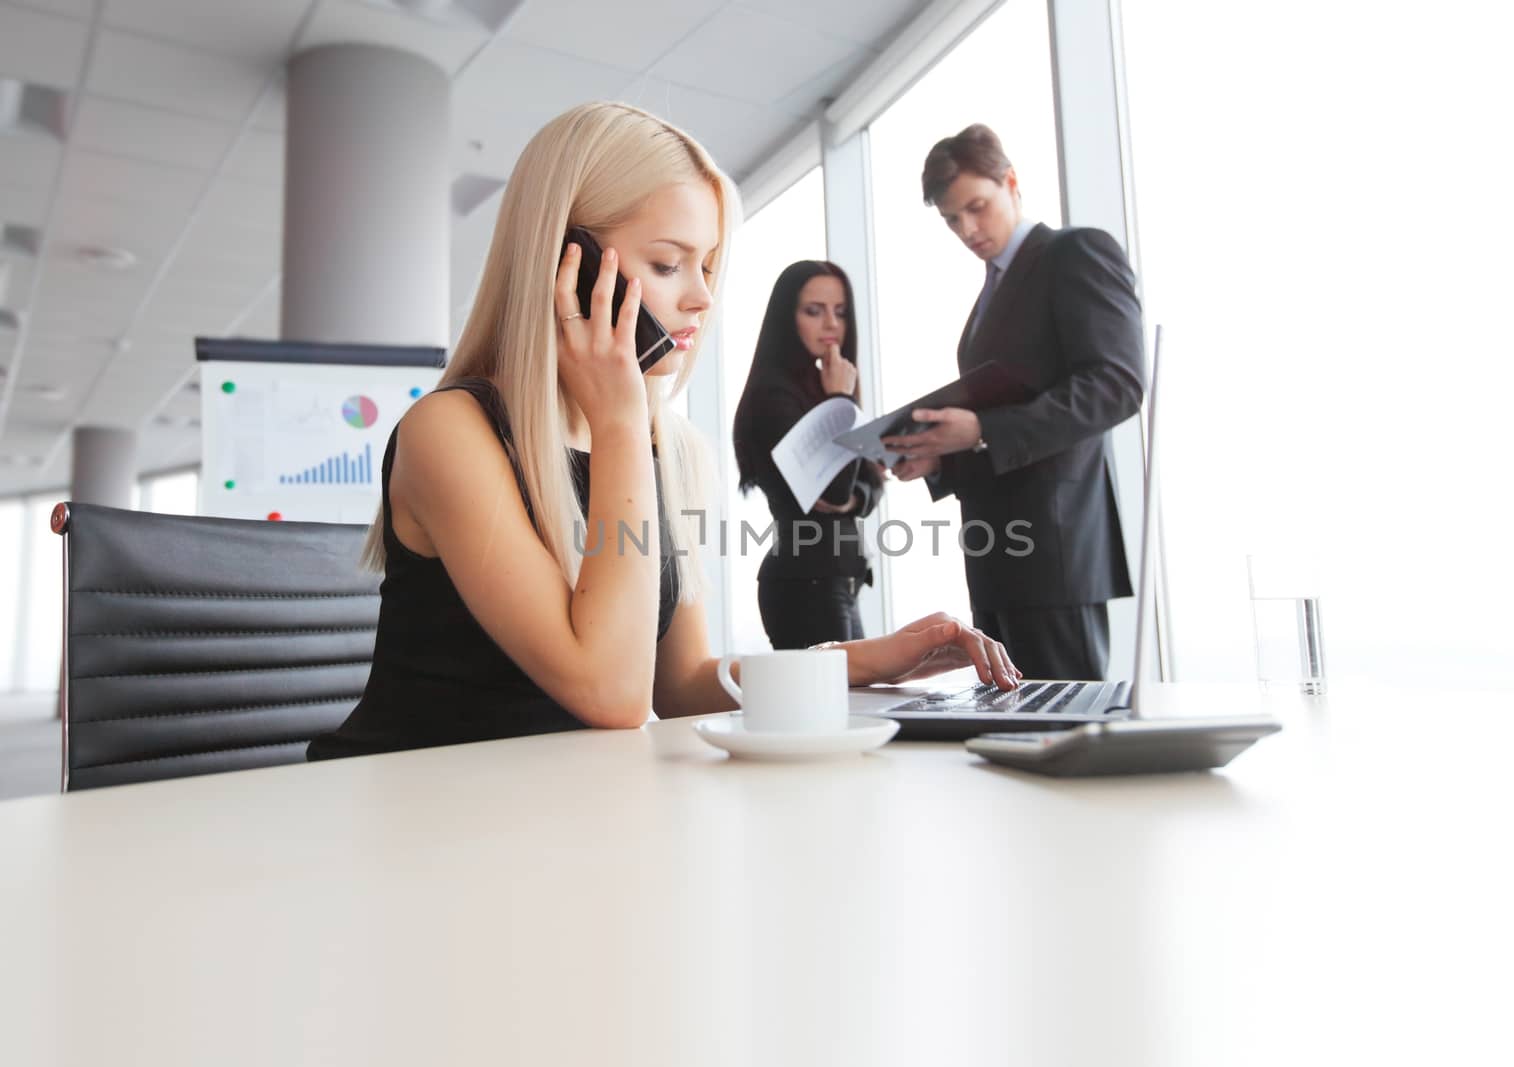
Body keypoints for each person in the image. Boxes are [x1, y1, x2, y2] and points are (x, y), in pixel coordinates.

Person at [308, 103, 1020, 760]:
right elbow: (612, 695)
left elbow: (680, 683)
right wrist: (622, 419)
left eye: (707, 265)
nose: (702, 295)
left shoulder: (668, 445)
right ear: (569, 264)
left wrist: (870, 657)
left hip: (549, 819)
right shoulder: (451, 433)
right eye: (668, 262)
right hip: (417, 822)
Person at [881, 123, 1145, 681]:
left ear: (1012, 182)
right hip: (999, 553)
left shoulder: (1074, 252)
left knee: (1064, 727)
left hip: (1056, 549)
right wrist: (939, 454)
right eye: (952, 219)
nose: (967, 229)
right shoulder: (990, 292)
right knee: (1016, 733)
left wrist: (979, 430)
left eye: (977, 207)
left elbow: (1116, 385)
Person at [732, 261, 883, 649]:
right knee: (832, 706)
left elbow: (870, 483)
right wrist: (840, 400)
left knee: (851, 701)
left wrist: (853, 497)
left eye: (841, 311)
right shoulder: (776, 396)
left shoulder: (817, 388)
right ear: (789, 318)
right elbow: (834, 490)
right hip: (805, 584)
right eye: (814, 311)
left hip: (837, 580)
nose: (831, 324)